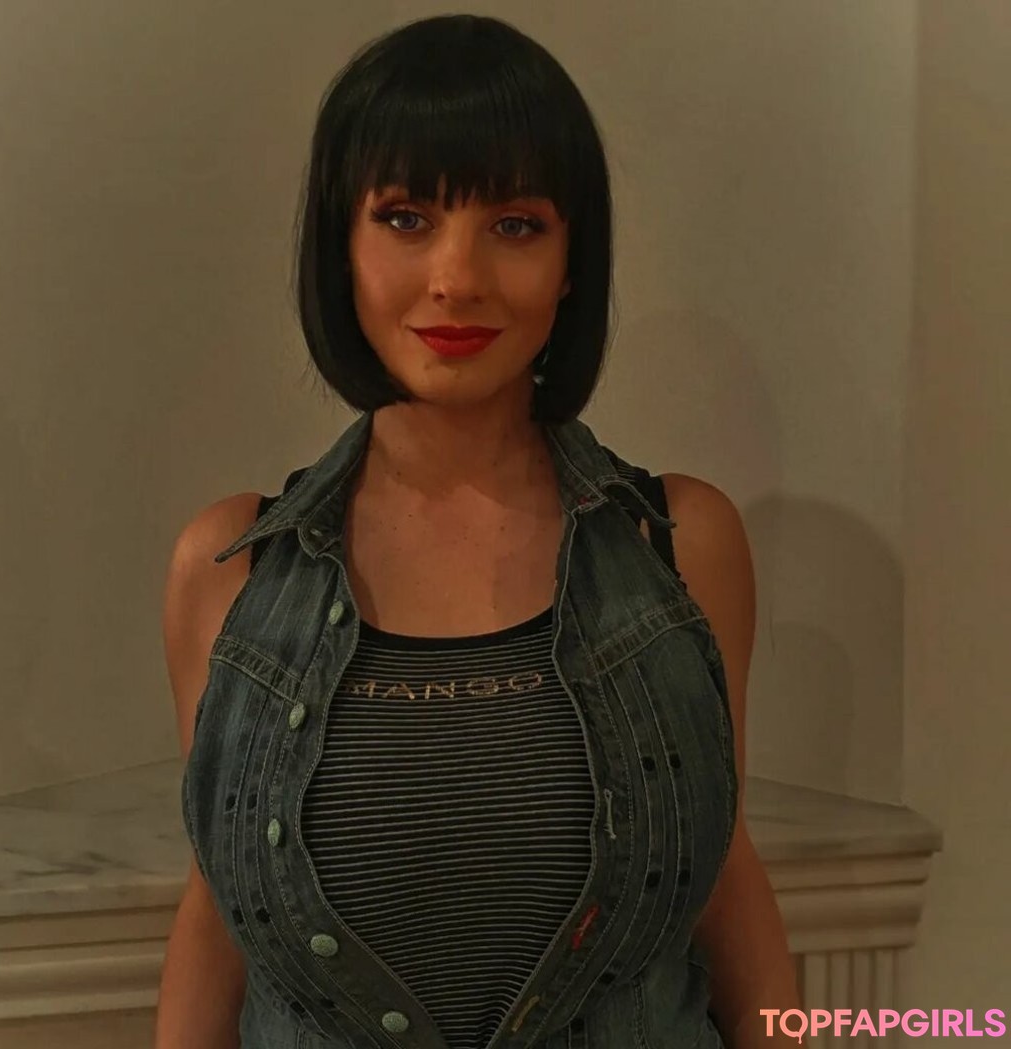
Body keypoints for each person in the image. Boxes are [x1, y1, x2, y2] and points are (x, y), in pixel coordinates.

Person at [155, 13, 803, 1049]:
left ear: (573, 259)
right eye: (406, 217)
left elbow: (721, 871)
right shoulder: (229, 569)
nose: (457, 277)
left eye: (515, 224)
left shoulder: (680, 544)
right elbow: (219, 908)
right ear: (341, 246)